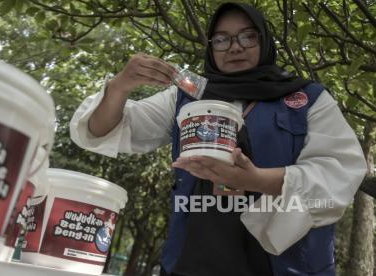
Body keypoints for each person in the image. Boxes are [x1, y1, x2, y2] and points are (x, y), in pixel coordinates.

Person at [70, 2, 367, 276]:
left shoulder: (307, 99)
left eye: (247, 37)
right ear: (211, 47)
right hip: (193, 260)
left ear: (264, 41)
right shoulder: (188, 94)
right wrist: (121, 86)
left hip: (286, 264)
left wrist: (257, 180)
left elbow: (341, 171)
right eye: (222, 39)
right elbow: (103, 131)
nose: (235, 47)